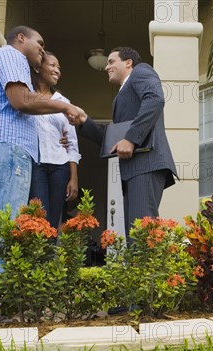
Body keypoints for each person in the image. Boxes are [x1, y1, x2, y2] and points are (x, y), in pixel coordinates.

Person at [0, 25, 86, 274]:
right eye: (39, 44)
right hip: (6, 152)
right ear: (21, 38)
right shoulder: (12, 55)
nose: (42, 50)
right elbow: (21, 101)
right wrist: (65, 107)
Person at [76, 47, 178, 240]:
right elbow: (113, 142)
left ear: (128, 62)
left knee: (142, 236)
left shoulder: (141, 71)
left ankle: (147, 272)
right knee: (135, 235)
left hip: (146, 164)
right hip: (133, 169)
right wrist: (84, 121)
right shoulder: (119, 98)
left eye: (111, 61)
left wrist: (131, 139)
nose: (107, 67)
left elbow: (155, 99)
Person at [28, 51, 81, 229]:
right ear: (38, 68)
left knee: (53, 222)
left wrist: (73, 178)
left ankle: (49, 257)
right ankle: (39, 257)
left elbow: (72, 143)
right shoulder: (26, 97)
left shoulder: (64, 102)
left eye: (59, 67)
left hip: (60, 167)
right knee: (39, 219)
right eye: (52, 65)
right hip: (36, 165)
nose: (57, 70)